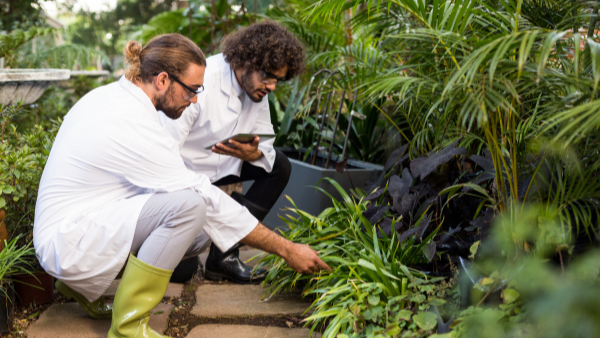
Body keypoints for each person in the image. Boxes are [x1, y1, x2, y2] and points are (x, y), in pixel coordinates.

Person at [33, 33, 330, 338]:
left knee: (199, 224)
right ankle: (129, 328)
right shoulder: (134, 124)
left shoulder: (114, 97)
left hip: (76, 225)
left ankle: (79, 287)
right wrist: (287, 249)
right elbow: (202, 197)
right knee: (191, 209)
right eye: (192, 90)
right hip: (69, 241)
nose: (196, 100)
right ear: (162, 80)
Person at [160, 21, 303, 284]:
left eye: (277, 80)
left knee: (279, 166)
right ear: (247, 60)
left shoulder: (257, 89)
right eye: (268, 76)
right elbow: (163, 154)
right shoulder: (203, 81)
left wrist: (253, 154)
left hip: (221, 167)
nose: (271, 86)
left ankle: (222, 257)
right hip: (182, 177)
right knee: (182, 273)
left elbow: (266, 145)